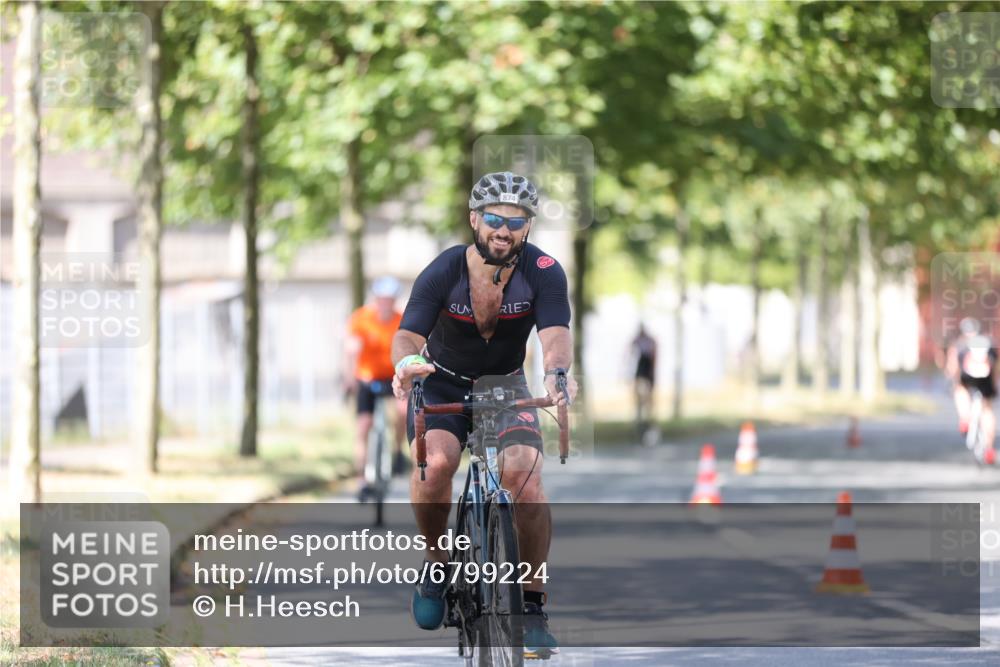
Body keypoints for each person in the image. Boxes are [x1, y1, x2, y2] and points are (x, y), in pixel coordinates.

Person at [391, 171, 577, 660]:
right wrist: (409, 364)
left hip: (506, 386)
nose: (504, 230)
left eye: (516, 222)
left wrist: (558, 374)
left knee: (526, 480)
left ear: (528, 228)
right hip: (444, 378)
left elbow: (555, 333)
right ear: (475, 219)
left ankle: (532, 604)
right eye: (494, 218)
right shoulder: (445, 269)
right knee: (435, 466)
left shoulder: (543, 270)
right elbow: (408, 335)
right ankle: (437, 564)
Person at [344, 276, 409, 499]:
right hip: (367, 378)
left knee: (402, 413)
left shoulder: (401, 320)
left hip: (393, 377)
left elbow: (409, 348)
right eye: (382, 299)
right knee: (364, 425)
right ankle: (362, 479)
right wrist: (349, 378)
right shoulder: (362, 318)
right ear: (376, 298)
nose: (385, 303)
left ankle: (398, 451)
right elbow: (352, 349)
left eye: (390, 299)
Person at [946, 317, 999, 464]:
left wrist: (953, 381)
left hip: (967, 376)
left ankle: (965, 419)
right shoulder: (989, 343)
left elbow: (953, 367)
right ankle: (989, 448)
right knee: (987, 410)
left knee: (960, 389)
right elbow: (994, 367)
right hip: (986, 378)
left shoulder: (960, 344)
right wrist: (994, 385)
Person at [630, 323, 658, 444]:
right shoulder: (640, 341)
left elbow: (654, 358)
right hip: (642, 375)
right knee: (641, 404)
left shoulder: (650, 342)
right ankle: (641, 427)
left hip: (646, 375)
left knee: (647, 405)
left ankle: (647, 428)